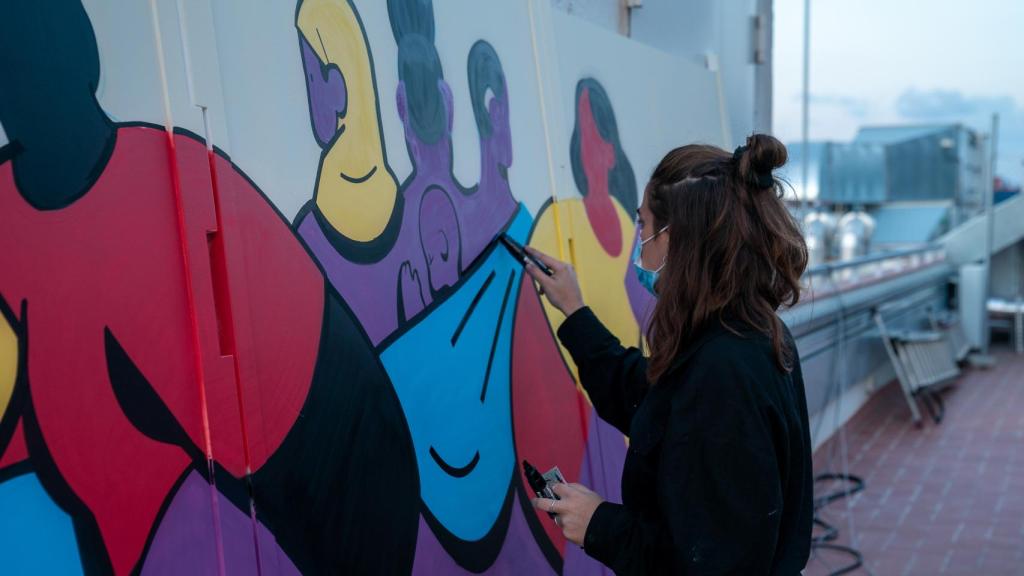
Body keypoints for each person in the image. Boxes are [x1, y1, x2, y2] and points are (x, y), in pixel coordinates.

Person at [527, 134, 813, 574]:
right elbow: (650, 401)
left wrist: (598, 523)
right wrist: (575, 311)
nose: (638, 243)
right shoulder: (744, 334)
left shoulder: (725, 370)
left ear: (675, 238)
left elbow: (711, 563)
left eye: (643, 226)